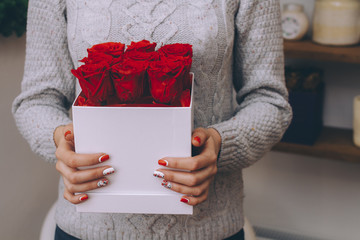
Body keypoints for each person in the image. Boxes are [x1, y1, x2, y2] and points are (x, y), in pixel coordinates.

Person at [12, 0, 292, 239]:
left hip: (208, 229)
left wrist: (220, 145)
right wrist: (61, 142)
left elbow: (269, 99)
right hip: (87, 228)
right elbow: (37, 100)